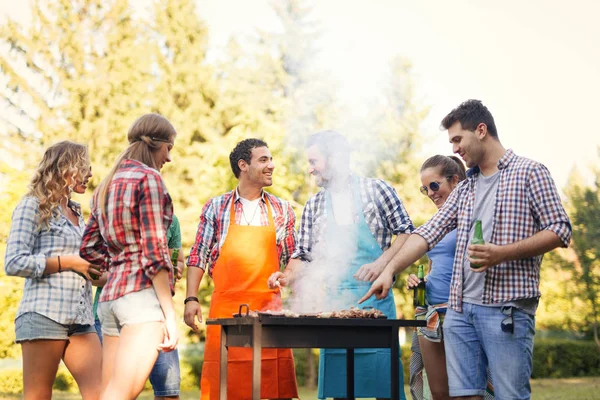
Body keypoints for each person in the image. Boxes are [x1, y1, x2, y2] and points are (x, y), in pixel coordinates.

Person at [361, 100, 572, 400]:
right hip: (460, 312)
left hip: (506, 310)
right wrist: (389, 270)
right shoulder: (465, 188)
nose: (455, 148)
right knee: (461, 397)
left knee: (509, 395)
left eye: (458, 139)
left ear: (481, 130)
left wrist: (501, 253)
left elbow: (560, 229)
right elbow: (427, 233)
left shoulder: (530, 172)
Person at [268, 130, 414, 400]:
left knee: (385, 385)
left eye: (314, 161)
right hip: (333, 309)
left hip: (376, 304)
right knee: (339, 389)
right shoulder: (314, 204)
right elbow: (304, 254)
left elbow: (408, 232)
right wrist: (286, 275)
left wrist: (382, 263)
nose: (310, 170)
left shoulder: (377, 189)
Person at [184, 138, 299, 400]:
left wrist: (288, 275)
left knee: (272, 388)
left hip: (270, 315)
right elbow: (198, 254)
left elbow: (295, 257)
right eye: (264, 160)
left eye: (271, 159)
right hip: (226, 314)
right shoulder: (216, 206)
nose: (271, 165)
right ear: (243, 165)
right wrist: (191, 298)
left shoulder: (282, 209)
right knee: (226, 387)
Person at [80, 113, 179, 400]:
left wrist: (120, 261)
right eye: (169, 148)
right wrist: (169, 315)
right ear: (155, 144)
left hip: (111, 300)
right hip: (141, 300)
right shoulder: (149, 179)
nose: (169, 158)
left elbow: (88, 248)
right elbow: (155, 253)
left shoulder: (106, 185)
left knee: (108, 394)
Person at [5, 141, 102, 400]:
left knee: (102, 393)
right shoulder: (32, 206)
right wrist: (68, 262)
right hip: (43, 314)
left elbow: (85, 266)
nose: (90, 174)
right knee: (38, 396)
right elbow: (14, 262)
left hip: (81, 319)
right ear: (65, 168)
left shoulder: (77, 213)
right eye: (85, 167)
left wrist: (103, 274)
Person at [407, 155, 493, 400]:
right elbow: (435, 266)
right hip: (431, 312)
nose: (431, 193)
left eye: (435, 185)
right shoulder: (434, 224)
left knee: (468, 392)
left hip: (461, 312)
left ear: (455, 181)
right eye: (425, 189)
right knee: (439, 394)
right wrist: (418, 279)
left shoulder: (474, 218)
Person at [91, 214, 184, 400]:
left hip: (156, 312)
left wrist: (174, 269)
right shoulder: (106, 219)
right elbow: (92, 274)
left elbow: (177, 260)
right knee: (121, 389)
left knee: (168, 391)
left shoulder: (171, 220)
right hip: (119, 315)